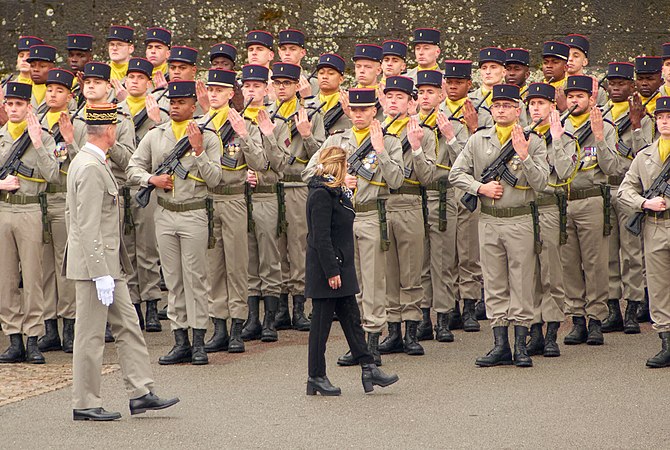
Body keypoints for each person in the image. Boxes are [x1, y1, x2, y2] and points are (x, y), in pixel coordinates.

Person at [65, 103, 179, 421]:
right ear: (111, 132)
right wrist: (100, 273)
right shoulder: (89, 167)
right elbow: (87, 226)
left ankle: (141, 392)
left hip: (107, 265)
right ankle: (85, 401)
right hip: (95, 268)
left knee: (128, 325)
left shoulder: (90, 162)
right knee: (89, 335)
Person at [303, 88, 404, 367]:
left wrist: (380, 150)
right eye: (355, 110)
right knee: (349, 282)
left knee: (372, 282)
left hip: (370, 215)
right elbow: (308, 173)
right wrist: (336, 179)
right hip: (339, 220)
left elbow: (396, 180)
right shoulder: (336, 141)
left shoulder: (389, 141)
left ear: (375, 111)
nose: (359, 114)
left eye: (365, 110)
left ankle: (372, 342)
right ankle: (357, 344)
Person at [450, 84, 549, 368]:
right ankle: (500, 345)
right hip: (490, 220)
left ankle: (521, 345)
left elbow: (542, 183)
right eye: (497, 106)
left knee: (521, 282)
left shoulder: (534, 141)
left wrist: (524, 155)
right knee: (494, 282)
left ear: (518, 111)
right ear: (491, 110)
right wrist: (480, 187)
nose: (502, 110)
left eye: (508, 105)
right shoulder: (478, 140)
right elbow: (456, 174)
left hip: (519, 218)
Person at [127, 80, 222, 366]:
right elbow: (133, 166)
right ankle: (179, 339)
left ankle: (198, 341)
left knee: (197, 278)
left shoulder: (209, 136)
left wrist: (198, 151)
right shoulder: (156, 136)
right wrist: (151, 180)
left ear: (194, 106)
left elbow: (215, 179)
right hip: (165, 213)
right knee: (173, 279)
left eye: (182, 103)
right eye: (173, 102)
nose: (176, 107)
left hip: (193, 213)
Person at [305, 146, 399, 395]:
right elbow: (321, 238)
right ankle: (315, 376)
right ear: (339, 166)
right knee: (320, 328)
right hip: (329, 270)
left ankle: (369, 368)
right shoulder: (321, 195)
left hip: (340, 268)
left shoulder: (335, 192)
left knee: (352, 322)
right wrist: (332, 271)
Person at [202, 68, 265, 353]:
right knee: (213, 266)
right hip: (209, 199)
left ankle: (238, 326)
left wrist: (244, 134)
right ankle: (219, 327)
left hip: (235, 199)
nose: (214, 94)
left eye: (220, 90)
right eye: (210, 90)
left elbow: (261, 162)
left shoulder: (245, 124)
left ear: (231, 94)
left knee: (237, 265)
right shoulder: (201, 125)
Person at [0, 82, 59, 364]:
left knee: (34, 278)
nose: (13, 109)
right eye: (9, 104)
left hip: (31, 210)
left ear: (28, 107)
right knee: (6, 279)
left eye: (18, 105)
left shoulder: (43, 137)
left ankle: (33, 337)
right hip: (3, 210)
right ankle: (13, 339)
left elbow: (54, 175)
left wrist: (37, 141)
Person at [267, 62, 325, 335]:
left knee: (299, 246)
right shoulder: (266, 113)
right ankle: (280, 306)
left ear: (297, 86)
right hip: (271, 186)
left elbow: (322, 154)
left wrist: (307, 135)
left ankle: (299, 305)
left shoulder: (311, 113)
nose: (281, 88)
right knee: (276, 248)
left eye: (286, 84)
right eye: (277, 83)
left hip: (297, 184)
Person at [618, 96, 670, 368]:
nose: (665, 122)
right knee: (659, 287)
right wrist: (644, 202)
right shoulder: (645, 155)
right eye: (661, 117)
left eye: (669, 117)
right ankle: (666, 342)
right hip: (654, 225)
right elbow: (624, 190)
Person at [38, 68, 87, 354]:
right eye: (49, 90)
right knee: (44, 268)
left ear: (70, 95)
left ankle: (70, 323)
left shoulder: (77, 123)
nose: (53, 94)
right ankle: (49, 327)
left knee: (64, 265)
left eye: (59, 90)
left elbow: (85, 163)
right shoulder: (37, 122)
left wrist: (70, 139)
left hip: (65, 198)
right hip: (41, 200)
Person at [116, 57, 166, 332]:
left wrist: (158, 121)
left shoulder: (160, 110)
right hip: (121, 185)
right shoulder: (115, 111)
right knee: (126, 249)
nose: (134, 81)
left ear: (149, 82)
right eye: (130, 77)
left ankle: (151, 304)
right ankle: (132, 303)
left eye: (140, 77)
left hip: (146, 185)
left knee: (147, 249)